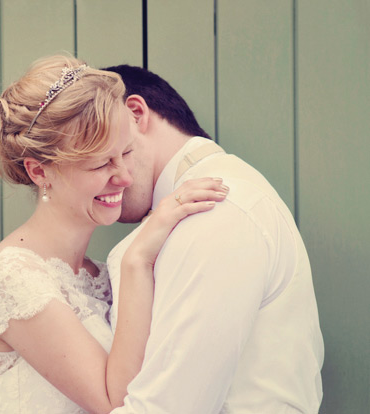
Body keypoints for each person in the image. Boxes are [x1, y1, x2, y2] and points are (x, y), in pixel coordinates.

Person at [0, 55, 228, 414]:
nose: (124, 177)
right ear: (39, 171)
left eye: (125, 153)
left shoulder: (98, 276)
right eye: (100, 163)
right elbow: (115, 402)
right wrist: (138, 257)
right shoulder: (11, 278)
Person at [102, 64, 324, 413]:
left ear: (134, 114)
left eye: (98, 148)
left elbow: (166, 408)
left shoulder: (214, 206)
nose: (103, 176)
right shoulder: (202, 203)